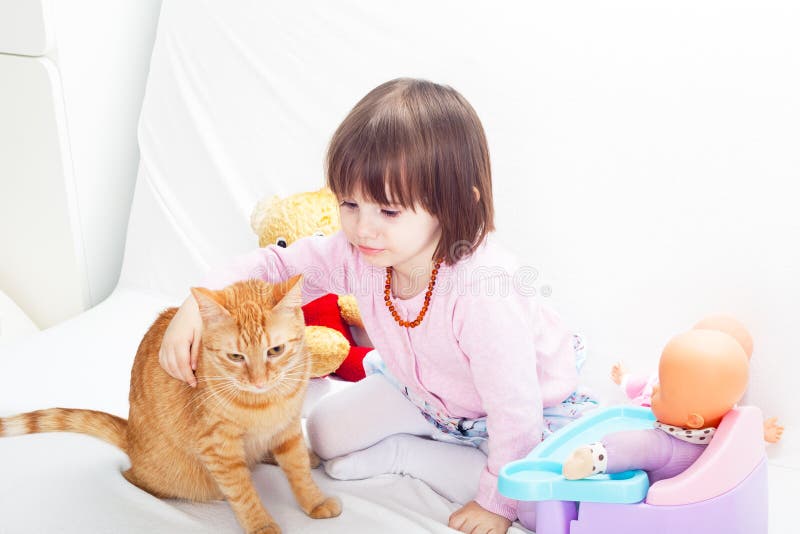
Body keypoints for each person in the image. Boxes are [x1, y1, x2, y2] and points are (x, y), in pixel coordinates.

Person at [159, 78, 595, 533]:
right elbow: (273, 264)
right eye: (350, 204)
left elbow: (515, 412)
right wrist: (196, 305)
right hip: (424, 395)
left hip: (508, 411)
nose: (363, 229)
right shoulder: (360, 256)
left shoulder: (484, 293)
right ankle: (423, 443)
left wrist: (494, 504)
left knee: (533, 505)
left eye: (388, 212)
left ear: (454, 205)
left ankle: (417, 455)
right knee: (325, 435)